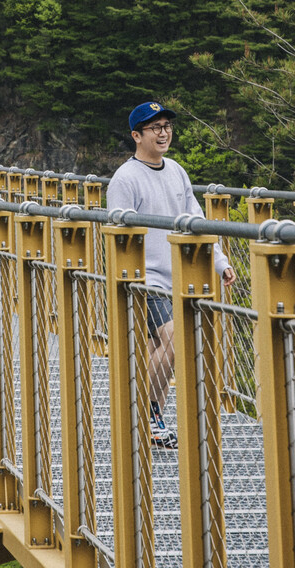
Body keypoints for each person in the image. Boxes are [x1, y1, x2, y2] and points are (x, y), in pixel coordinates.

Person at [106, 101, 236, 450]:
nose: (163, 133)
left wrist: (220, 261)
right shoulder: (126, 178)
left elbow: (195, 220)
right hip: (143, 278)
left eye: (167, 126)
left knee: (158, 350)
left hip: (177, 276)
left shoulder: (177, 171)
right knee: (173, 342)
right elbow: (118, 230)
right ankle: (146, 414)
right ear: (137, 136)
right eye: (155, 127)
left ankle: (152, 421)